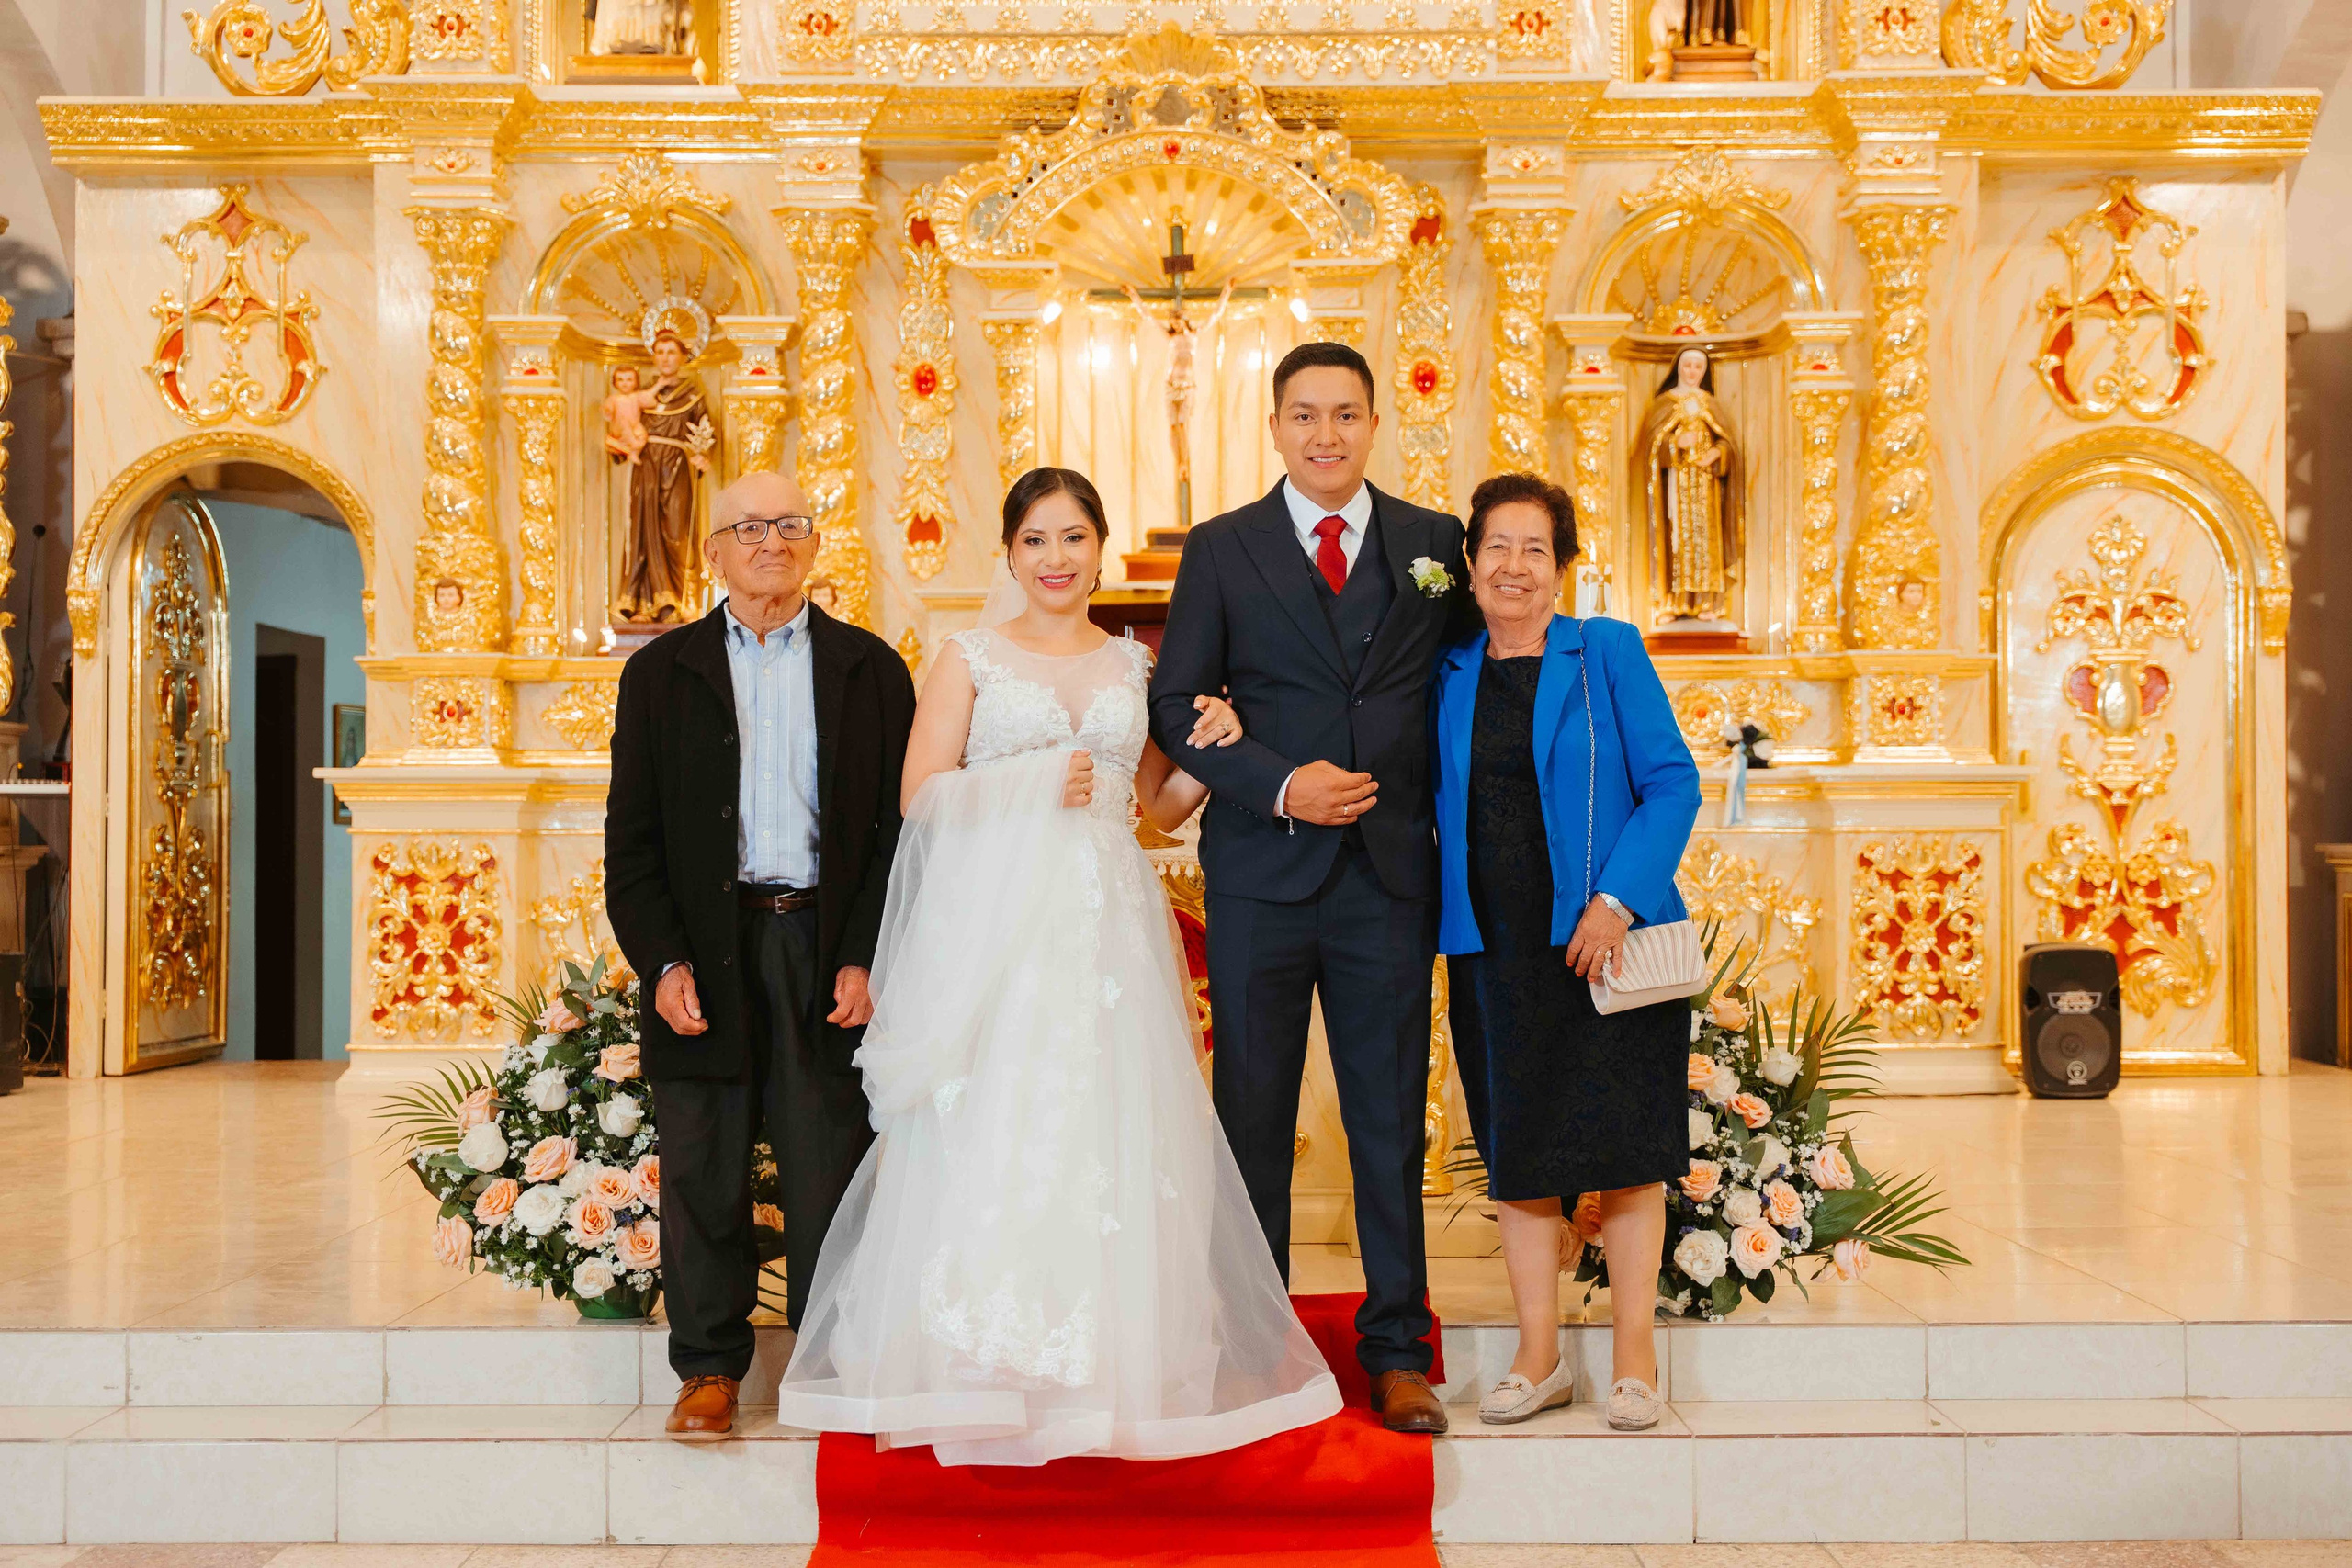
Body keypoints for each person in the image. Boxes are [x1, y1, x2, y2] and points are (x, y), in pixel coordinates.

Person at [774, 468, 1340, 1465]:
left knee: (1109, 1124)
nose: (1056, 559)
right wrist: (1030, 779)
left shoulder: (1134, 665)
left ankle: (1106, 1366)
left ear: (1100, 548)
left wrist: (1219, 748)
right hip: (998, 927)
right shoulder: (970, 659)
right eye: (1036, 540)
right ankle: (986, 1363)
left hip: (1109, 925)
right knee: (1000, 1122)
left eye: (1074, 538)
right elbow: (919, 793)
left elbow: (1155, 806)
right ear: (1008, 553)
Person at [1148, 341, 1473, 1435]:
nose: (1324, 434)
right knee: (1251, 1114)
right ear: (1275, 428)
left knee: (1387, 1121)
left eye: (1344, 414)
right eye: (1303, 416)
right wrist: (1281, 781)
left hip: (1388, 876)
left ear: (1375, 423)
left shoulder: (1433, 544)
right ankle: (1250, 1348)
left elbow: (1467, 682)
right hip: (1260, 877)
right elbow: (1177, 700)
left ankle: (1396, 1351)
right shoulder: (1223, 547)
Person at [605, 469, 916, 1438]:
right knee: (703, 1163)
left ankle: (825, 1366)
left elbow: (897, 832)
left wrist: (865, 954)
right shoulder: (662, 673)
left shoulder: (871, 670)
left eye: (787, 525)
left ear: (814, 543)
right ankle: (707, 1369)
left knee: (830, 1161)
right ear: (714, 553)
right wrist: (663, 964)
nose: (769, 542)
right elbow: (634, 841)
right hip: (708, 946)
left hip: (822, 943)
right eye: (747, 527)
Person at [1430, 473, 1701, 1432]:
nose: (1513, 566)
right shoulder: (1448, 670)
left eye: (1534, 549)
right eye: (1495, 546)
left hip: (1604, 947)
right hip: (1489, 948)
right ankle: (1537, 1357)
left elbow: (1672, 783)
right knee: (1522, 1155)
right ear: (1468, 562)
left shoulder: (1607, 652)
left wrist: (1614, 900)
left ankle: (1635, 1360)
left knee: (1626, 1151)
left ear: (1563, 568)